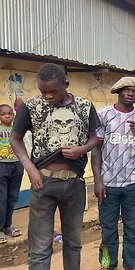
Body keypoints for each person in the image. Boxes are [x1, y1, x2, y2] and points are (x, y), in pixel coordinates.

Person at [10, 63, 99, 270]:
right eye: (43, 91)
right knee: (40, 247)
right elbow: (15, 139)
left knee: (73, 244)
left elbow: (94, 138)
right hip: (43, 183)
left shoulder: (85, 107)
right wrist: (31, 169)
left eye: (53, 91)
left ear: (66, 84)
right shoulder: (31, 107)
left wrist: (81, 149)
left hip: (74, 184)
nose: (48, 96)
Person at [92, 76, 135, 270]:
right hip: (108, 184)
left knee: (133, 229)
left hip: (133, 183)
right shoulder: (104, 115)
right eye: (127, 90)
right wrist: (98, 180)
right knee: (108, 229)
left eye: (134, 91)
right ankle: (107, 263)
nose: (131, 93)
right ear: (118, 92)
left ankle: (132, 264)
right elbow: (96, 149)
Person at [0, 104, 24, 244]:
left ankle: (8, 226)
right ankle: (0, 229)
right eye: (3, 114)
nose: (7, 116)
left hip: (16, 164)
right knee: (1, 198)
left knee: (12, 197)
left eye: (10, 113)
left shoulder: (17, 129)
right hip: (1, 164)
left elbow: (22, 144)